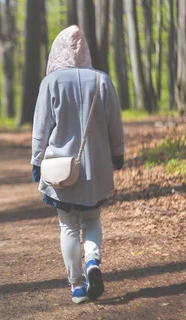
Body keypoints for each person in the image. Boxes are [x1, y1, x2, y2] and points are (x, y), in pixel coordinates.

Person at [31, 25, 125, 304]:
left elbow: (41, 127)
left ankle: (77, 286)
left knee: (68, 226)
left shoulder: (51, 83)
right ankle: (93, 262)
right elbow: (114, 123)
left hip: (60, 168)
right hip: (95, 166)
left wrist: (37, 160)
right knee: (92, 218)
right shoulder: (101, 80)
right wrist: (117, 154)